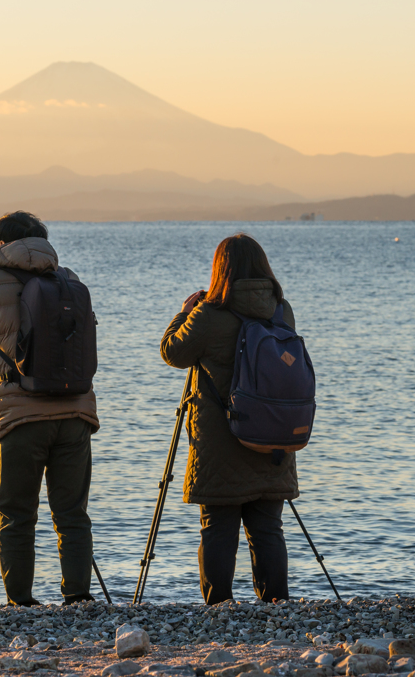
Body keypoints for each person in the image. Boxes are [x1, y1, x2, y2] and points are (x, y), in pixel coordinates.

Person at [0, 211, 100, 606]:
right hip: (76, 411)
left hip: (20, 415)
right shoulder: (69, 280)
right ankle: (78, 596)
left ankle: (21, 602)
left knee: (16, 512)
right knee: (72, 513)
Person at [160, 233, 298, 604]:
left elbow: (172, 352)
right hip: (273, 436)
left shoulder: (208, 314)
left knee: (218, 528)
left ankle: (219, 607)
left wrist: (184, 311)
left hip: (221, 441)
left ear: (221, 270)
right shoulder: (281, 311)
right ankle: (276, 606)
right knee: (268, 528)